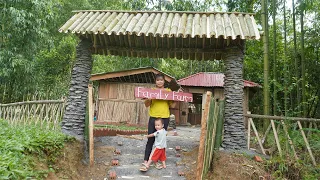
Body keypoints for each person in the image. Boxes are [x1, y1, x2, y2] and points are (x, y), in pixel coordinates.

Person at [142, 73, 175, 166]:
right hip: (153, 117)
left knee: (160, 141)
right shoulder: (151, 91)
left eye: (161, 80)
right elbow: (147, 104)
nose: (159, 81)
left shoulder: (168, 91)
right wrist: (149, 98)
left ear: (164, 81)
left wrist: (176, 98)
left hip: (164, 117)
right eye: (158, 80)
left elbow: (172, 105)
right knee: (151, 139)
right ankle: (146, 160)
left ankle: (156, 160)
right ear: (155, 81)